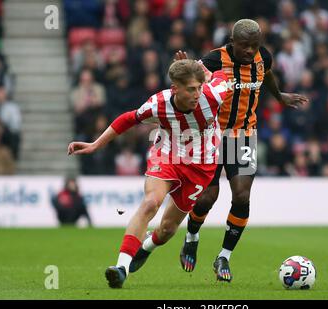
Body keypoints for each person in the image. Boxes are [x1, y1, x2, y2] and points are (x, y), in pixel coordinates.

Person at [132, 19, 308, 282]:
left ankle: (224, 255)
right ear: (232, 42)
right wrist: (185, 67)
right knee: (206, 198)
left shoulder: (263, 58)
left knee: (241, 195)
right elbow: (190, 83)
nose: (250, 51)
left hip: (244, 135)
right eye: (244, 46)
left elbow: (267, 73)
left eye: (254, 45)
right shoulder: (214, 60)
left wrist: (279, 95)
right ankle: (192, 236)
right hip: (211, 136)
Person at [68, 59, 228, 288]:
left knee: (167, 230)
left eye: (199, 88)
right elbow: (128, 119)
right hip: (167, 156)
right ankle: (121, 268)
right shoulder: (159, 104)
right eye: (191, 89)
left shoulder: (213, 95)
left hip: (201, 167)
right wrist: (96, 144)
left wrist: (208, 72)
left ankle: (146, 247)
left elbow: (229, 72)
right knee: (151, 202)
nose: (197, 94)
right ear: (175, 89)